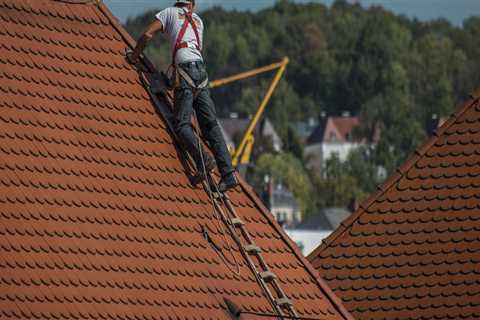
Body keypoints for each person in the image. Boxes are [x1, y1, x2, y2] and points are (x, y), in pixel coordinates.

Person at [128, 0, 238, 192]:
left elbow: (147, 34)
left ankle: (204, 159)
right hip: (201, 72)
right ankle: (228, 175)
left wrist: (134, 56)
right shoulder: (198, 21)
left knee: (182, 124)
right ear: (192, 5)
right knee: (210, 125)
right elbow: (192, 50)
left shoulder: (169, 13)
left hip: (185, 70)